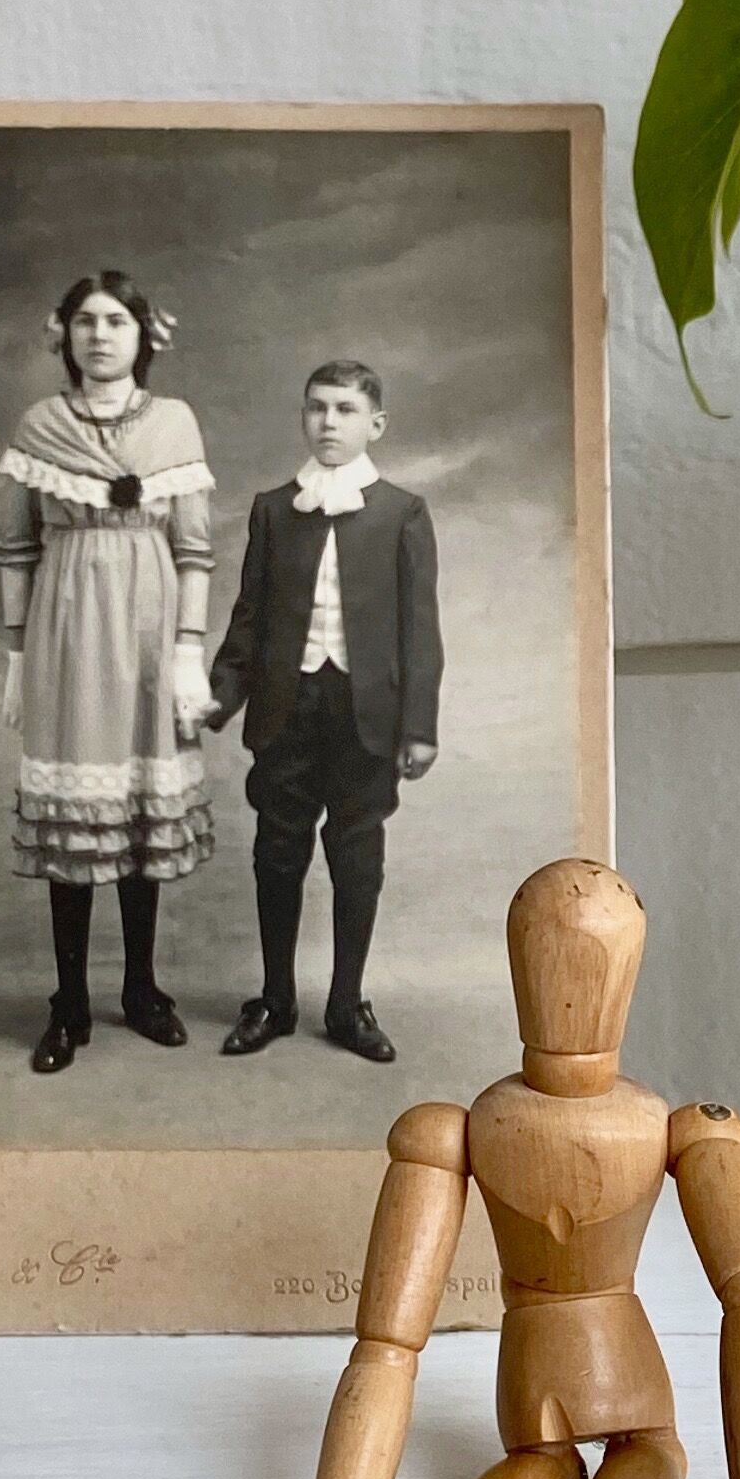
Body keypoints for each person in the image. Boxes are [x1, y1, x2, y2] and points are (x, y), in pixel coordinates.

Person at [0, 273, 217, 1074]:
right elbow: (17, 547)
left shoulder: (174, 424)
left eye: (115, 321)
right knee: (75, 825)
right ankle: (69, 1003)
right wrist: (18, 654)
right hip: (67, 628)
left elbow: (194, 549)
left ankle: (142, 988)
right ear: (63, 334)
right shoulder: (39, 425)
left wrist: (187, 651)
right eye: (85, 321)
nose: (100, 335)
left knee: (135, 814)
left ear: (143, 335)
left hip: (151, 624)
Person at [207, 360, 441, 1064]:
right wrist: (218, 697)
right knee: (277, 854)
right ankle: (276, 998)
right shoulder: (276, 510)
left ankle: (347, 1003)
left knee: (356, 856)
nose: (329, 423)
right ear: (303, 418)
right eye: (316, 408)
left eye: (344, 410)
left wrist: (420, 727)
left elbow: (419, 629)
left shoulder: (402, 512)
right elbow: (248, 618)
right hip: (287, 709)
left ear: (375, 424)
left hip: (365, 715)